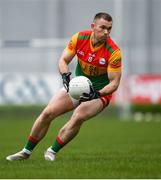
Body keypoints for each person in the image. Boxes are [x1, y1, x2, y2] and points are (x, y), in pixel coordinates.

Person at [6, 12, 122, 161]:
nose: (106, 32)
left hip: (99, 93)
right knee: (48, 113)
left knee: (78, 116)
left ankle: (52, 151)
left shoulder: (114, 51)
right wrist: (65, 75)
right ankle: (26, 152)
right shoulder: (79, 38)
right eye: (103, 27)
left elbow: (114, 83)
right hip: (77, 86)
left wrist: (96, 94)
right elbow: (63, 59)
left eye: (109, 29)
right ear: (93, 26)